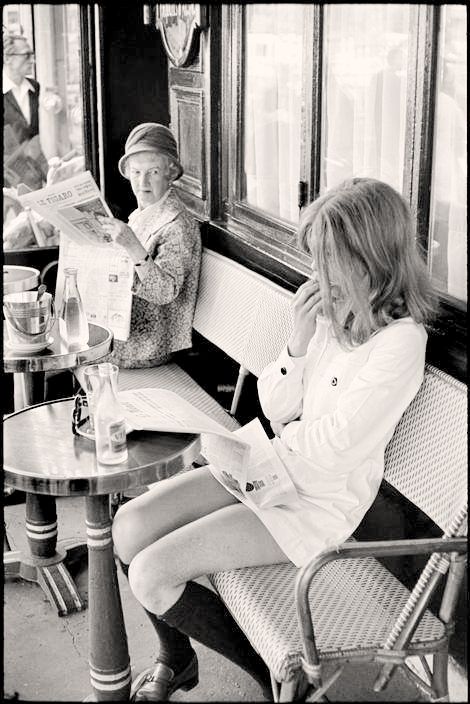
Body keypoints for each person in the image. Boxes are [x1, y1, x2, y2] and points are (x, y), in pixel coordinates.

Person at [111, 177, 437, 701]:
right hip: (272, 469)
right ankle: (178, 660)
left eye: (329, 260)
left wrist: (280, 442)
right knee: (128, 525)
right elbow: (277, 407)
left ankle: (276, 679)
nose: (318, 274)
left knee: (151, 572)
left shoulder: (400, 344)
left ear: (372, 257)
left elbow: (333, 453)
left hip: (316, 505)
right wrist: (299, 341)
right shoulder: (336, 317)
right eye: (316, 259)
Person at [97, 122, 201, 368]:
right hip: (125, 326)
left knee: (75, 349)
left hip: (149, 344)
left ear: (170, 172)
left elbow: (164, 292)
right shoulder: (143, 213)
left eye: (153, 172)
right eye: (136, 173)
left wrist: (132, 246)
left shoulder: (177, 224)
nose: (143, 182)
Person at [3, 29, 48, 190]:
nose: (32, 60)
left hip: (32, 176)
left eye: (32, 55)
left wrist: (46, 172)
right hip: (8, 181)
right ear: (8, 58)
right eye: (26, 55)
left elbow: (33, 136)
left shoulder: (34, 87)